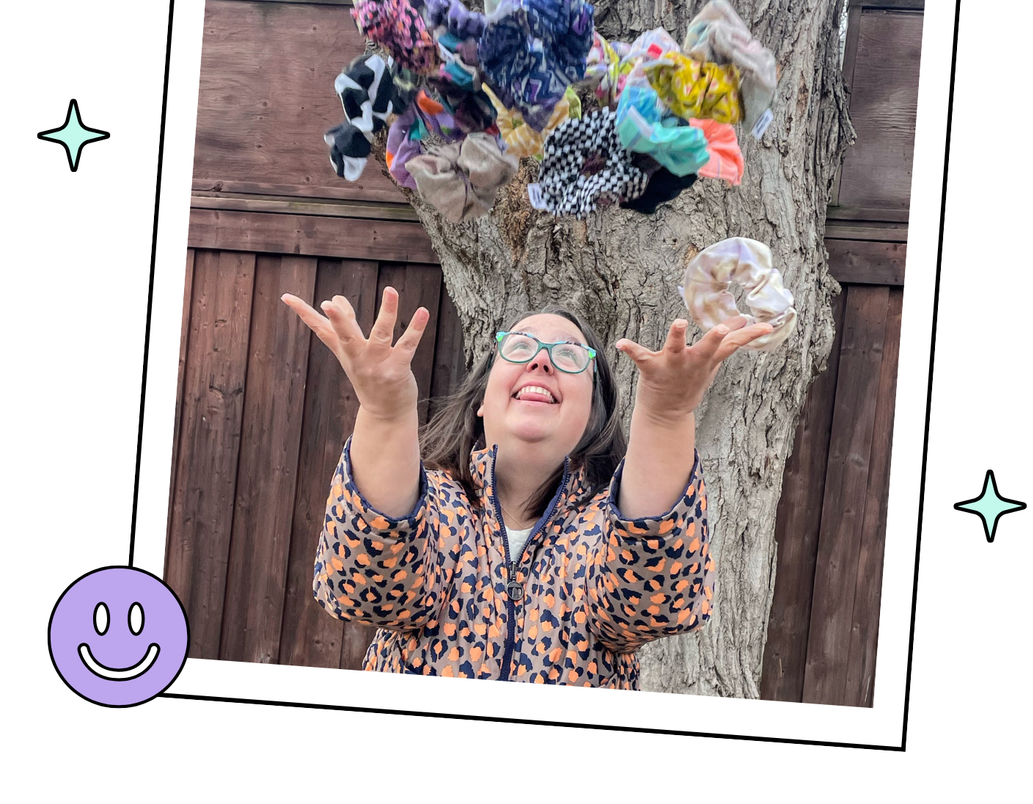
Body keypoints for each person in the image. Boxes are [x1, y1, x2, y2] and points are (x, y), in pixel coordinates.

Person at [281, 285, 772, 688]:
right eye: (519, 347)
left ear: (593, 413)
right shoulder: (431, 508)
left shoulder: (605, 530)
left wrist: (666, 415)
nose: (540, 362)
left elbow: (654, 603)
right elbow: (365, 590)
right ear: (481, 401)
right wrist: (385, 411)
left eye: (569, 354)